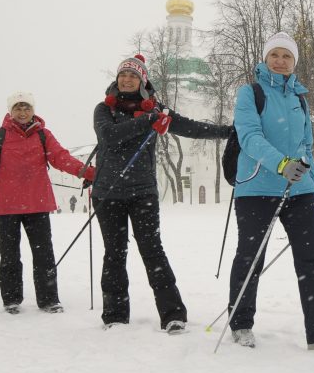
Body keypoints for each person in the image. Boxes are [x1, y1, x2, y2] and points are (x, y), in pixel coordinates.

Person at [226, 32, 314, 355]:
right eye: (275, 55)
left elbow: (306, 147)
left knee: (311, 260)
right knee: (251, 257)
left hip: (299, 191)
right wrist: (281, 164)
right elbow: (250, 138)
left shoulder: (300, 98)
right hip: (256, 189)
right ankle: (241, 323)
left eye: (287, 56)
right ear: (265, 58)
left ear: (294, 62)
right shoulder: (249, 94)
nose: (280, 61)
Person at [92, 54, 230, 333]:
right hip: (108, 193)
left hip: (142, 191)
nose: (127, 79)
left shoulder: (156, 109)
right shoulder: (103, 109)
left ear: (143, 80)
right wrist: (148, 121)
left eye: (133, 75)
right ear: (117, 80)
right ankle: (115, 315)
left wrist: (229, 132)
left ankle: (172, 314)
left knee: (153, 251)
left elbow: (190, 127)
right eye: (123, 75)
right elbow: (110, 137)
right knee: (114, 253)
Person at [0, 92, 95, 314]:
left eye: (27, 108)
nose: (22, 112)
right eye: (18, 108)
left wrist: (83, 171)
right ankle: (11, 299)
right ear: (10, 111)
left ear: (33, 111)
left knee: (44, 254)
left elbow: (60, 157)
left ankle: (49, 299)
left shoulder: (43, 135)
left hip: (37, 202)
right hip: (6, 205)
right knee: (9, 254)